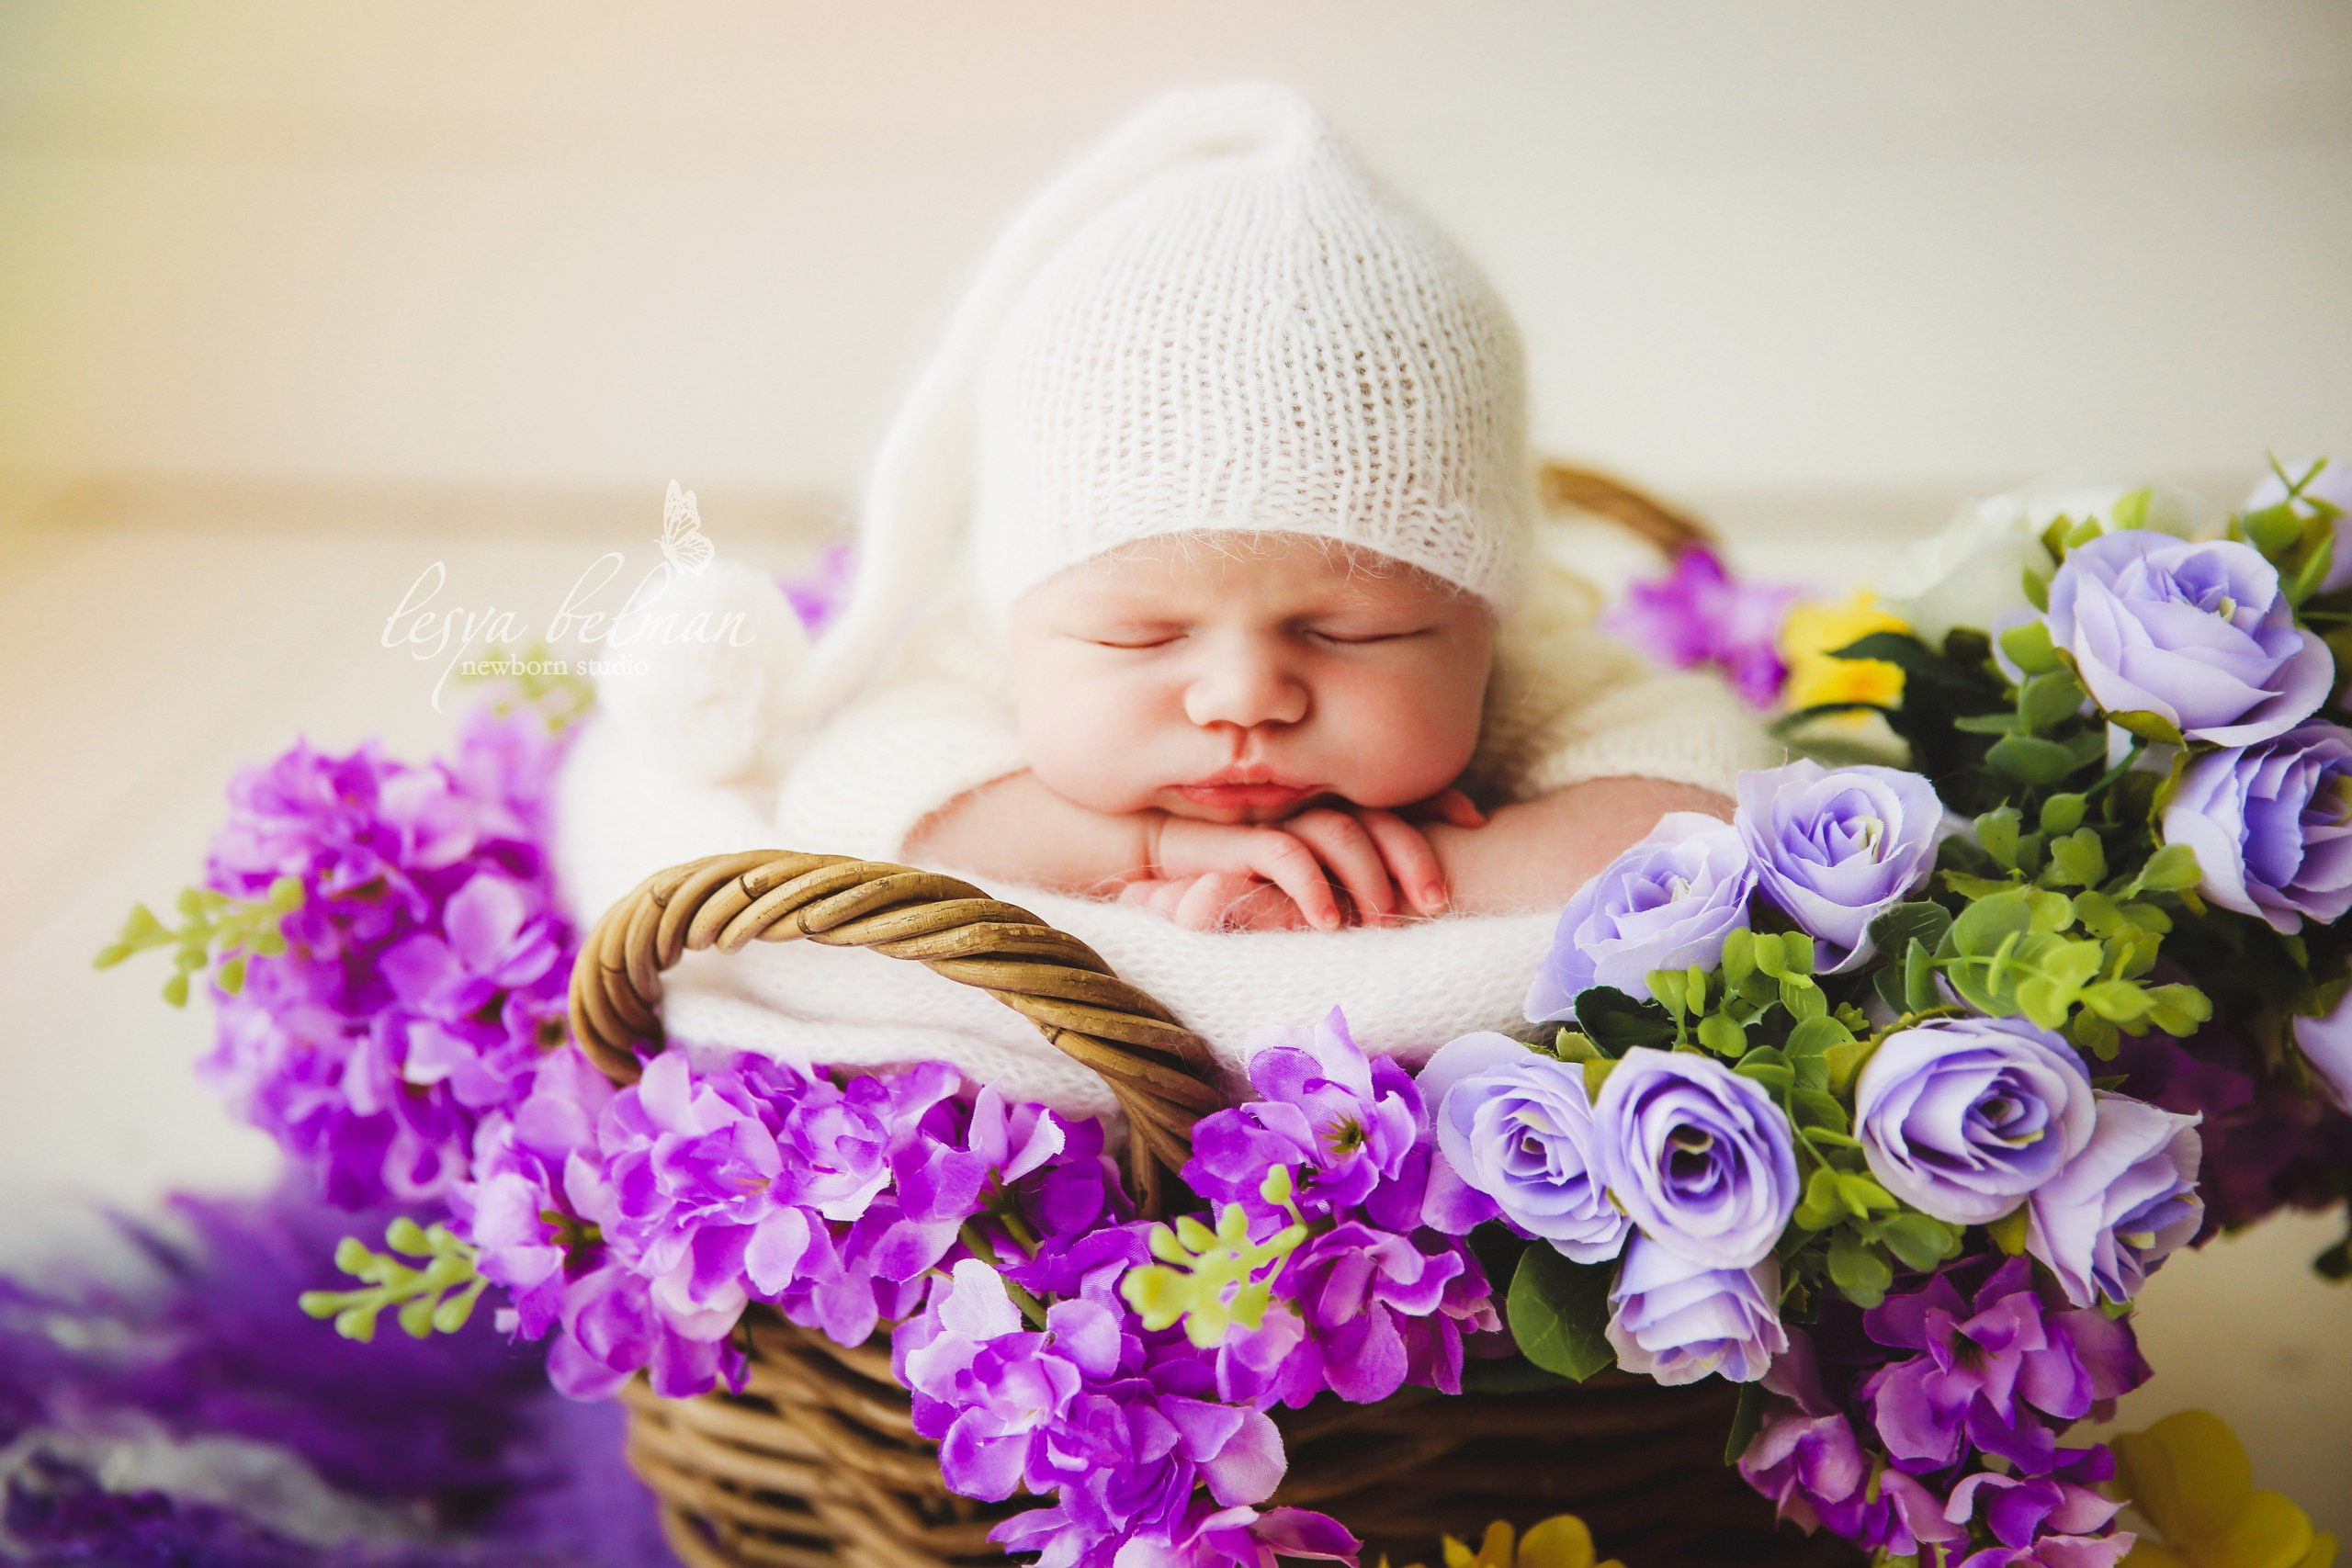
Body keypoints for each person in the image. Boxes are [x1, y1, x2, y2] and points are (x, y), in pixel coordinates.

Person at [772, 82, 1779, 929]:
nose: (1245, 698)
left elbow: (1706, 804)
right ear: (1021, 612)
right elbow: (856, 800)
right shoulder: (984, 662)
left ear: (1482, 616)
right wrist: (1145, 847)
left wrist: (1407, 881)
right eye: (1141, 637)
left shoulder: (1530, 680)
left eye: (1351, 630)